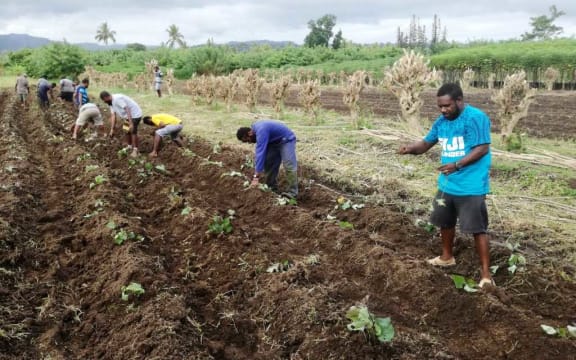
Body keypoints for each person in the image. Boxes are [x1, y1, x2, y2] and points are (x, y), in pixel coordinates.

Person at [398, 83, 493, 288]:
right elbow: (425, 144)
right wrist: (409, 148)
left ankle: (486, 275)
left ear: (459, 101)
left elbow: (482, 148)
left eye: (447, 106)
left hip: (471, 185)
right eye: (440, 106)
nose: (443, 110)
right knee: (445, 222)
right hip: (447, 184)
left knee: (478, 228)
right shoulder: (442, 122)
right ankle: (446, 257)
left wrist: (457, 165)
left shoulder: (475, 118)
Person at [237, 120, 298, 198]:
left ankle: (292, 193)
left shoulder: (261, 131)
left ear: (250, 133)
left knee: (289, 164)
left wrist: (256, 177)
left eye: (248, 140)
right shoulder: (255, 128)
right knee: (268, 162)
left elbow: (260, 153)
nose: (249, 143)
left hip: (286, 140)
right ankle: (272, 188)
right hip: (273, 142)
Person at [100, 91, 143, 157]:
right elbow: (113, 115)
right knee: (126, 130)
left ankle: (135, 150)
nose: (104, 101)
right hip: (128, 117)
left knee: (132, 131)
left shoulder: (117, 99)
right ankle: (129, 146)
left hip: (135, 114)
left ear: (106, 97)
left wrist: (131, 123)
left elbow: (127, 109)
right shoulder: (110, 103)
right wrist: (112, 129)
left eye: (103, 100)